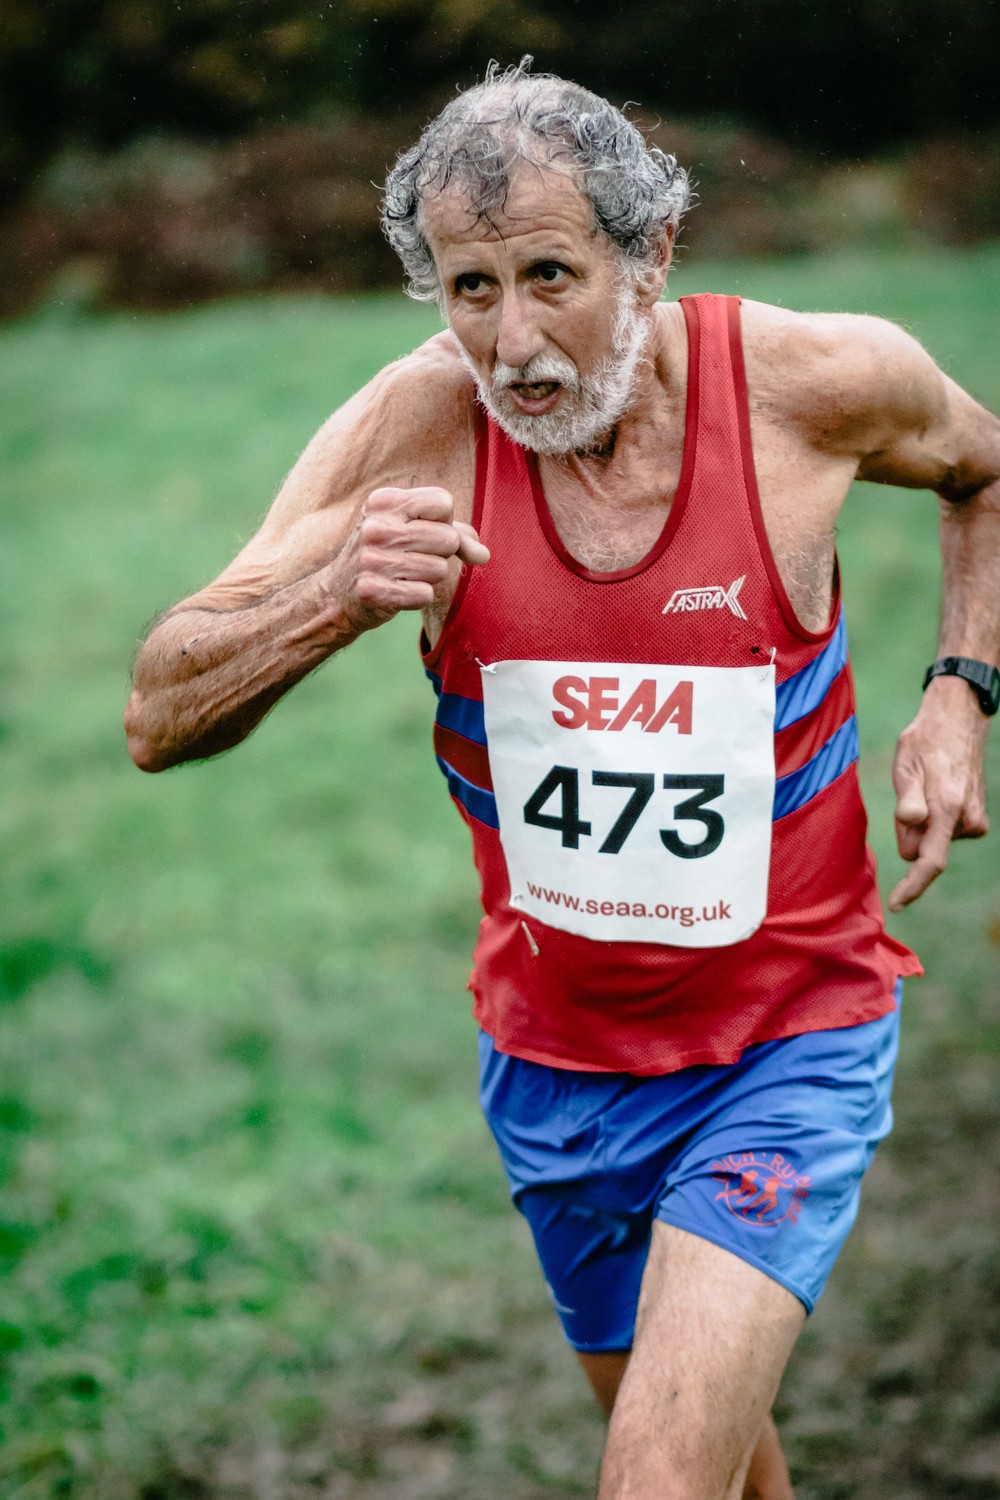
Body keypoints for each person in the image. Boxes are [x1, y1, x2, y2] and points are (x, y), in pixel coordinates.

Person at [124, 60, 1000, 1500]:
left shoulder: (810, 384)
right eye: (472, 290)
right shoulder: (415, 427)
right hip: (559, 1069)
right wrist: (334, 596)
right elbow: (160, 710)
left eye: (550, 275)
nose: (515, 342)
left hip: (790, 1035)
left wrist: (959, 697)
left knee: (654, 1478)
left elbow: (986, 470)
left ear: (650, 254)